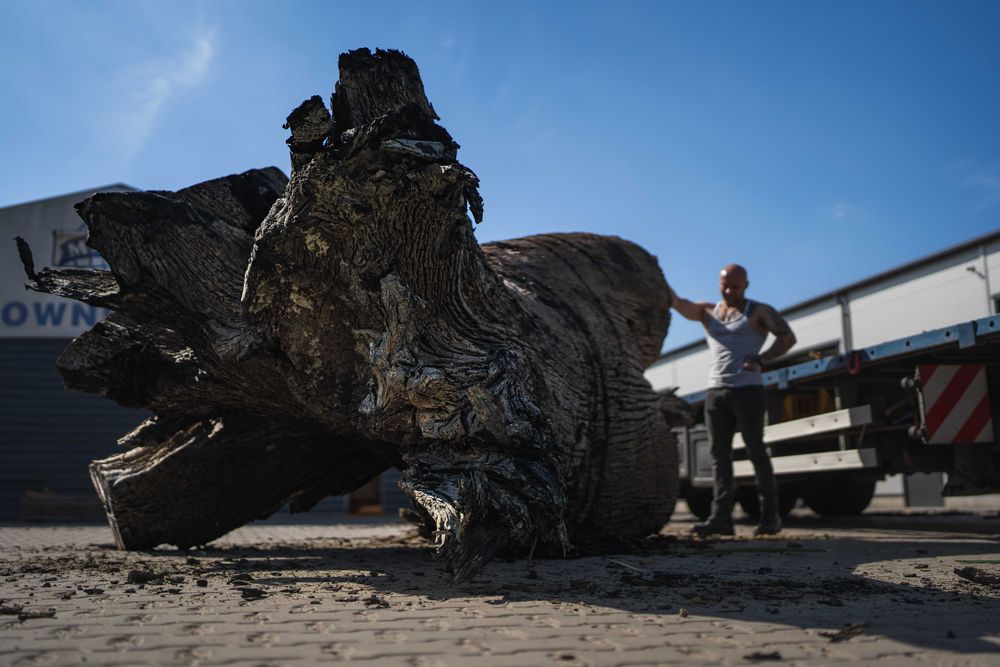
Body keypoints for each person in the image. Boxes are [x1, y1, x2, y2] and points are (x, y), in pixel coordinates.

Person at [671, 264, 797, 536]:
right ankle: (721, 519)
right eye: (725, 285)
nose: (729, 291)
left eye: (735, 287)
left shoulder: (758, 311)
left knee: (756, 452)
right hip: (716, 392)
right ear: (719, 283)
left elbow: (788, 337)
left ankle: (770, 517)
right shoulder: (708, 311)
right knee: (719, 457)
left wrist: (763, 359)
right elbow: (679, 303)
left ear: (746, 285)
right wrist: (659, 283)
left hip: (748, 391)